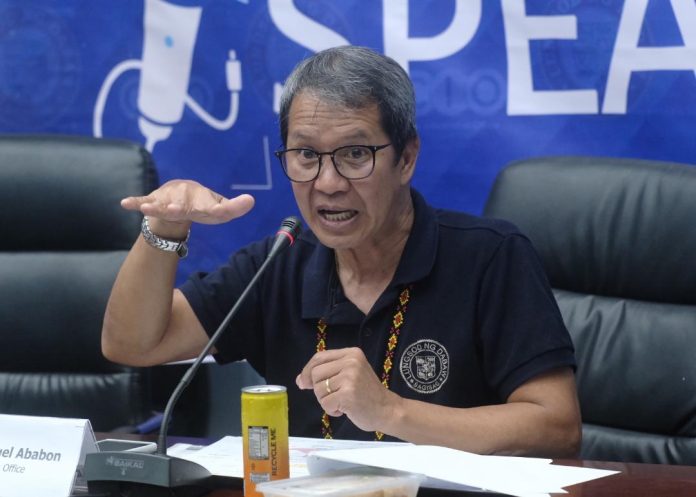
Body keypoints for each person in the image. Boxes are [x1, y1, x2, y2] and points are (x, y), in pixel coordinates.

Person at [103, 45, 581, 457]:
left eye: (355, 154)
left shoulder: (491, 258)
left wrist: (390, 411)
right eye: (306, 155)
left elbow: (556, 428)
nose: (327, 184)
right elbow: (133, 344)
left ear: (406, 158)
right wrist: (164, 228)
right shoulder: (279, 263)